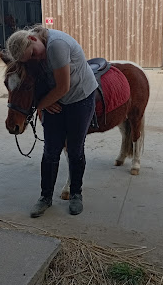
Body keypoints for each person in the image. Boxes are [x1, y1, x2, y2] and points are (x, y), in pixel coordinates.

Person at [6, 25, 98, 218]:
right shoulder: (34, 49)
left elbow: (63, 87)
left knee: (74, 149)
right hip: (54, 101)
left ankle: (76, 194)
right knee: (50, 151)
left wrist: (41, 104)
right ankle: (45, 197)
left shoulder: (56, 45)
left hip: (79, 98)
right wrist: (47, 101)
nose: (34, 59)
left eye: (33, 54)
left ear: (32, 39)